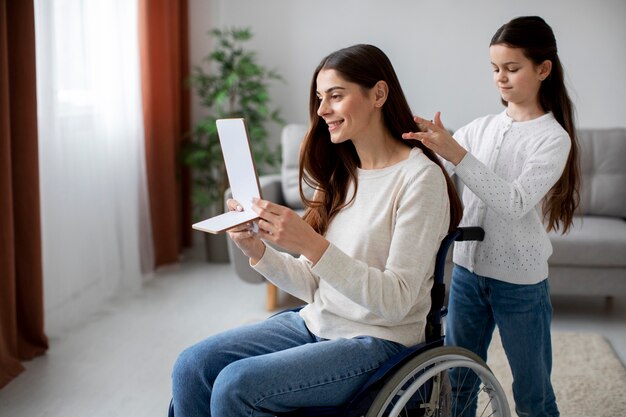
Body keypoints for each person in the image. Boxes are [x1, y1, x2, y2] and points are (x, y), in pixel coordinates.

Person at [170, 44, 463, 416]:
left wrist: (311, 244)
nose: (323, 109)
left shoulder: (420, 180)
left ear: (379, 94)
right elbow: (315, 286)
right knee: (192, 366)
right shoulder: (343, 174)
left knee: (235, 385)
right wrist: (256, 251)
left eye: (336, 96)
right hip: (317, 321)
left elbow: (397, 302)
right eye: (320, 98)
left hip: (378, 340)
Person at [403, 16, 580, 417]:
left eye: (512, 68)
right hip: (466, 273)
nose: (501, 78)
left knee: (532, 393)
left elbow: (515, 202)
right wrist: (425, 146)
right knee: (458, 383)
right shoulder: (480, 128)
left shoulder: (553, 139)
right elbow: (437, 174)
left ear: (543, 69)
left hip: (519, 283)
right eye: (495, 69)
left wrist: (457, 154)